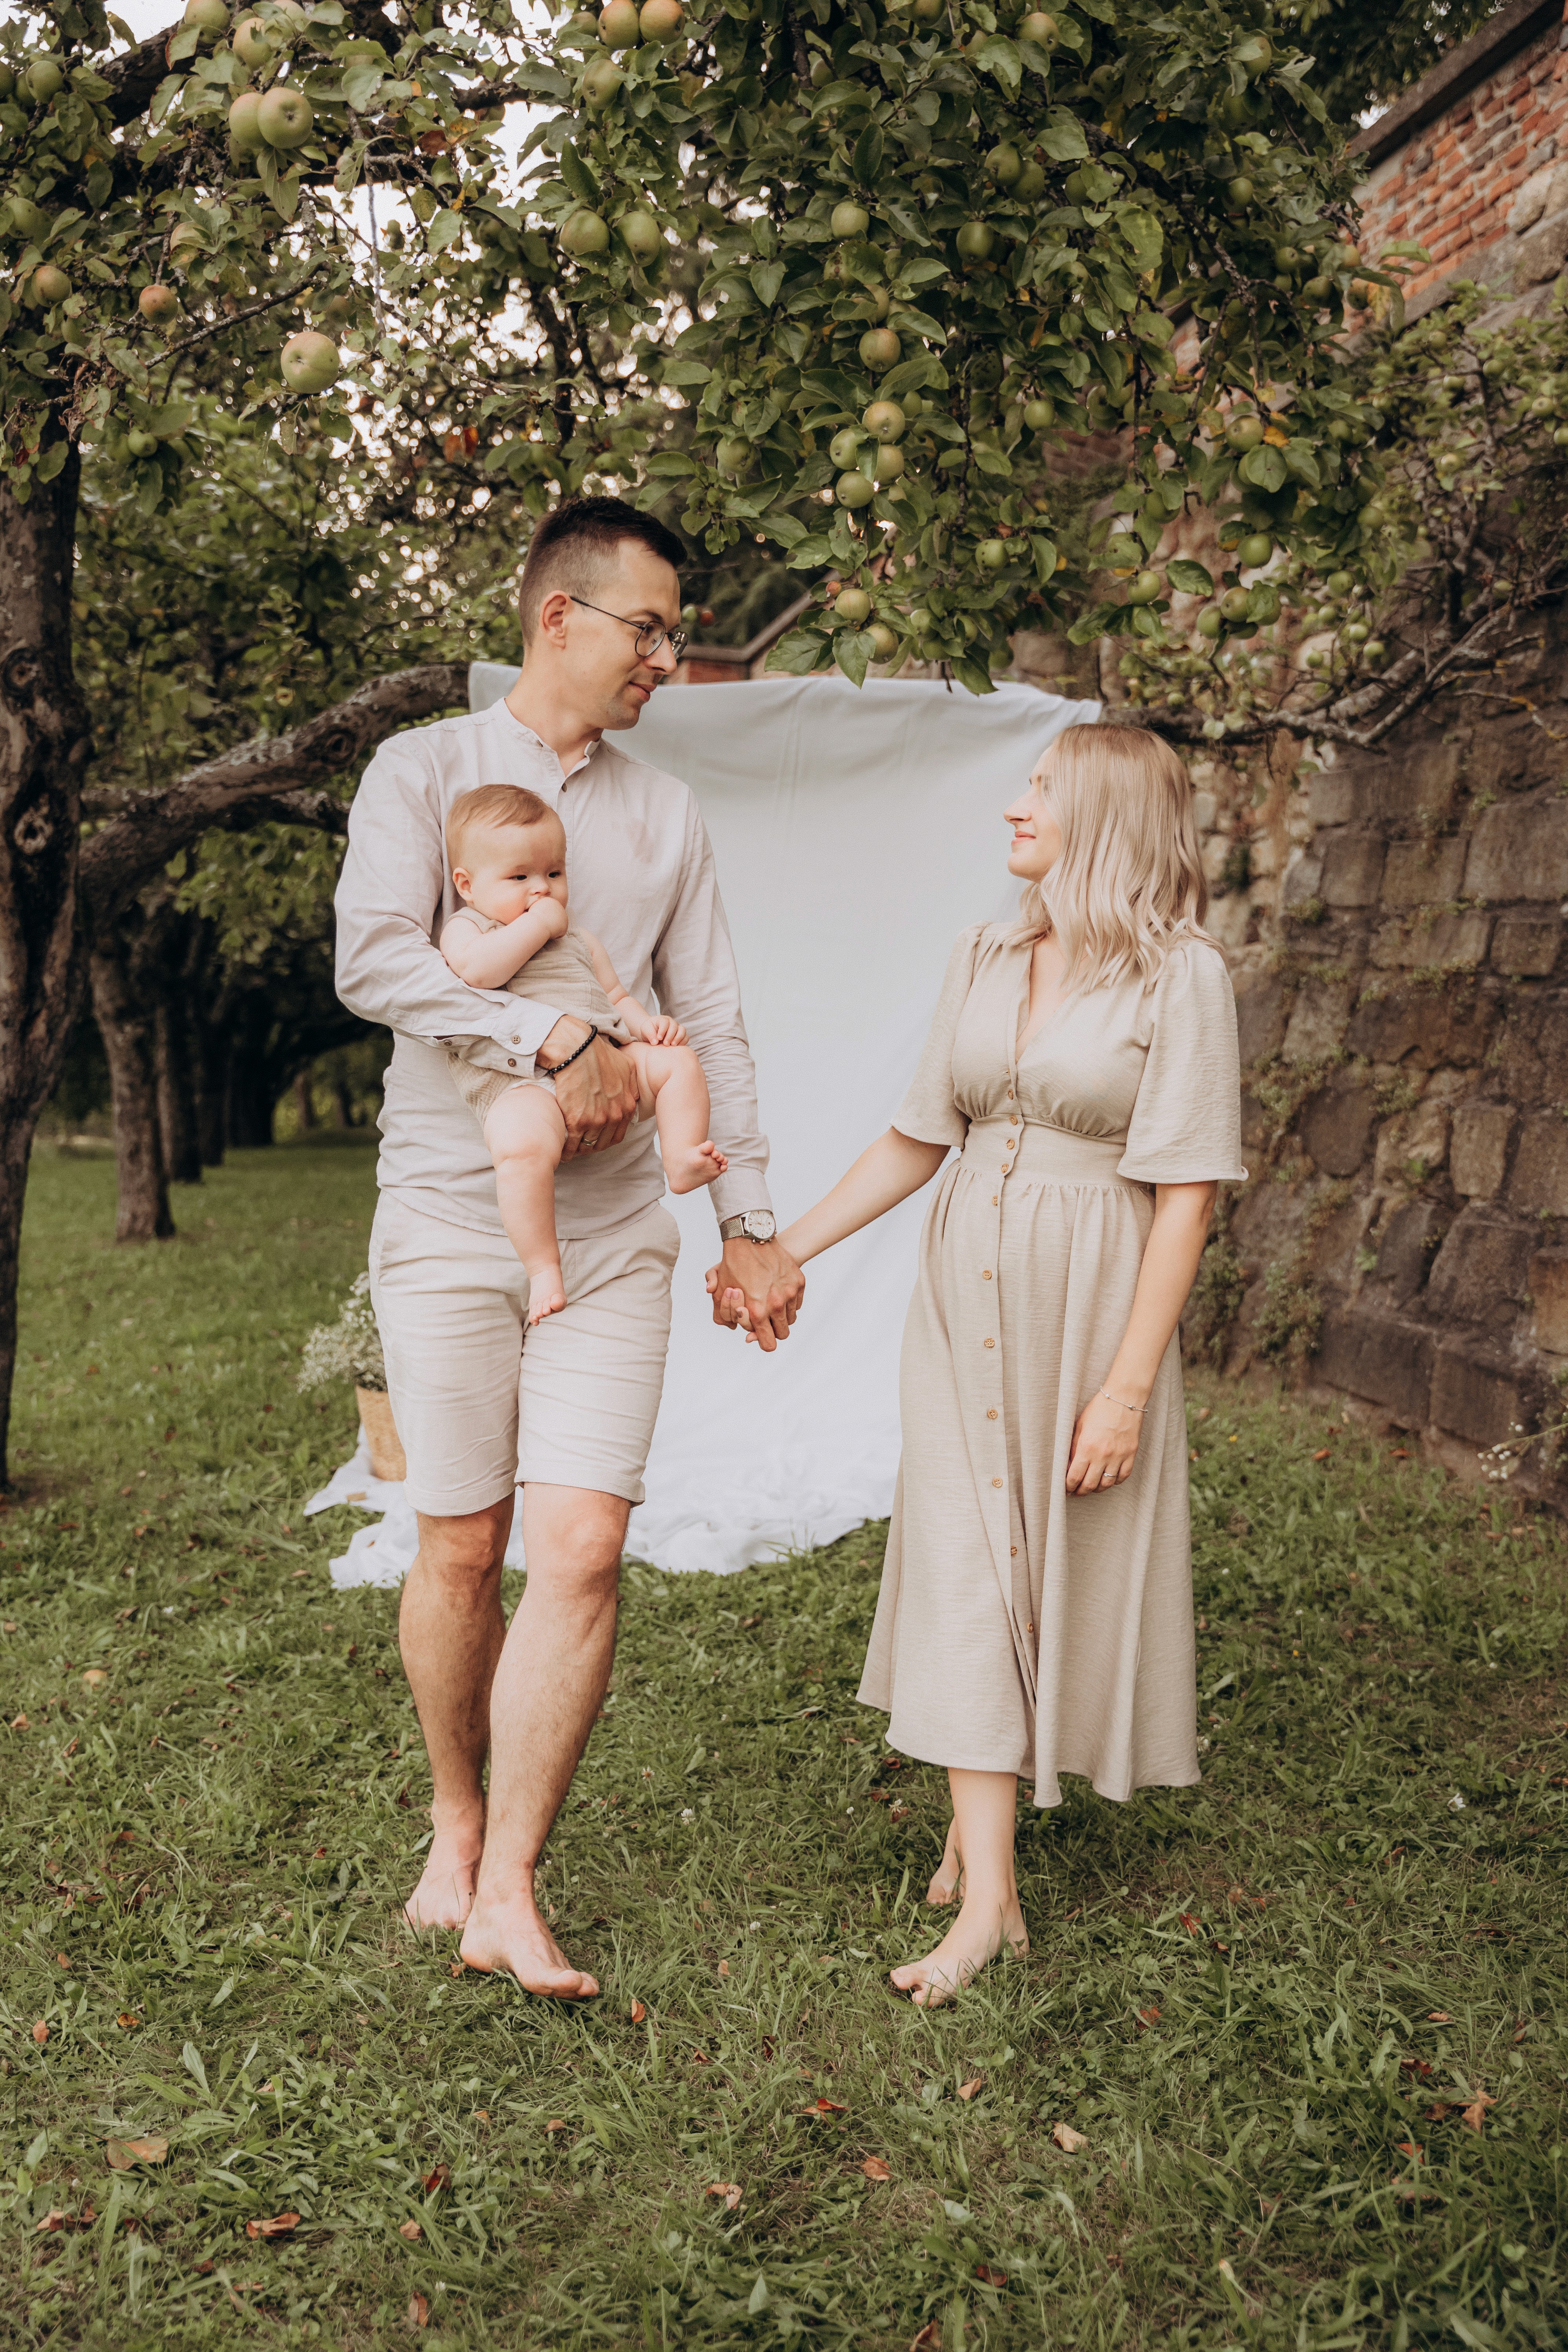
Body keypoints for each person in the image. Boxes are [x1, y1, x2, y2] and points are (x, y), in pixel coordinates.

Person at [335, 497, 805, 1998]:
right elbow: (375, 958)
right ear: (560, 617)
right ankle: (454, 1818)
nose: (668, 655)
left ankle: (514, 1887)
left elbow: (711, 1013)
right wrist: (544, 1031)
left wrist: (747, 1223)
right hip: (453, 1218)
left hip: (615, 1239)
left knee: (585, 1543)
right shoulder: (422, 771)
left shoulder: (666, 814)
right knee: (463, 1541)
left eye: (673, 631)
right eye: (650, 627)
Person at [728, 724, 1245, 2006]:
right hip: (961, 1302)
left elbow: (1185, 1198)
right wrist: (780, 1251)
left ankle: (982, 1834)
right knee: (965, 1558)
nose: (1014, 807)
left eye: (1040, 791)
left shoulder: (1184, 981)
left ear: (1107, 817)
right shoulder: (985, 951)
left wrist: (1125, 1386)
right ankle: (994, 1903)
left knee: (1053, 1561)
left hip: (1092, 1299)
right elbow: (920, 1137)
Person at [439, 782, 728, 1324]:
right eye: (520, 878)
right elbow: (477, 974)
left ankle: (682, 1158)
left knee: (679, 1064)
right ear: (467, 885)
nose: (541, 890)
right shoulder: (468, 928)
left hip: (611, 1062)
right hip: (520, 1085)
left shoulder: (580, 942)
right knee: (521, 1152)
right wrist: (537, 925)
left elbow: (616, 997)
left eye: (553, 874)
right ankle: (543, 1267)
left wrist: (650, 1025)